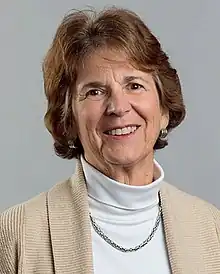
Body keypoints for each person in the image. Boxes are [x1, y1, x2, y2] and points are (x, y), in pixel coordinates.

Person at [0, 7, 220, 274]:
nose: (118, 106)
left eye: (134, 85)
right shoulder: (17, 234)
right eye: (95, 91)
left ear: (163, 110)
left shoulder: (210, 227)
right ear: (68, 117)